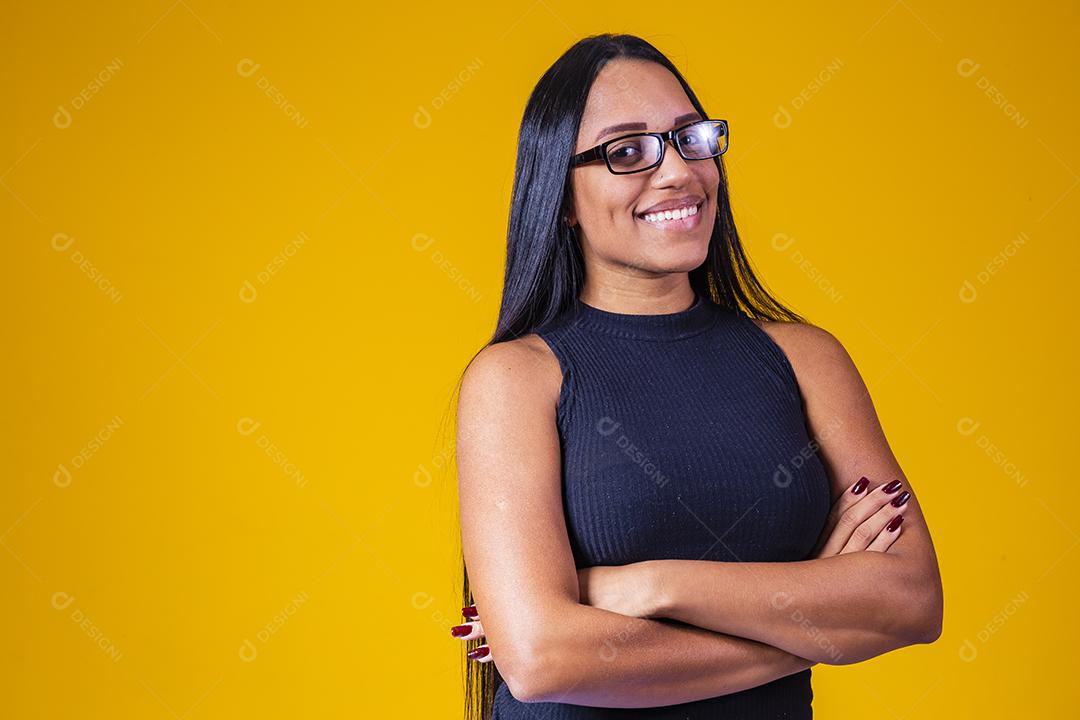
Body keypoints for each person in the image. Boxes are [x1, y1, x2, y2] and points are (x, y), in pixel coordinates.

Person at [452, 33, 943, 719]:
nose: (680, 172)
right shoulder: (516, 379)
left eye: (691, 138)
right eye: (627, 152)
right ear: (561, 198)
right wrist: (816, 629)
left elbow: (912, 601)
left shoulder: (807, 359)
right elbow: (541, 659)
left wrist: (652, 586)